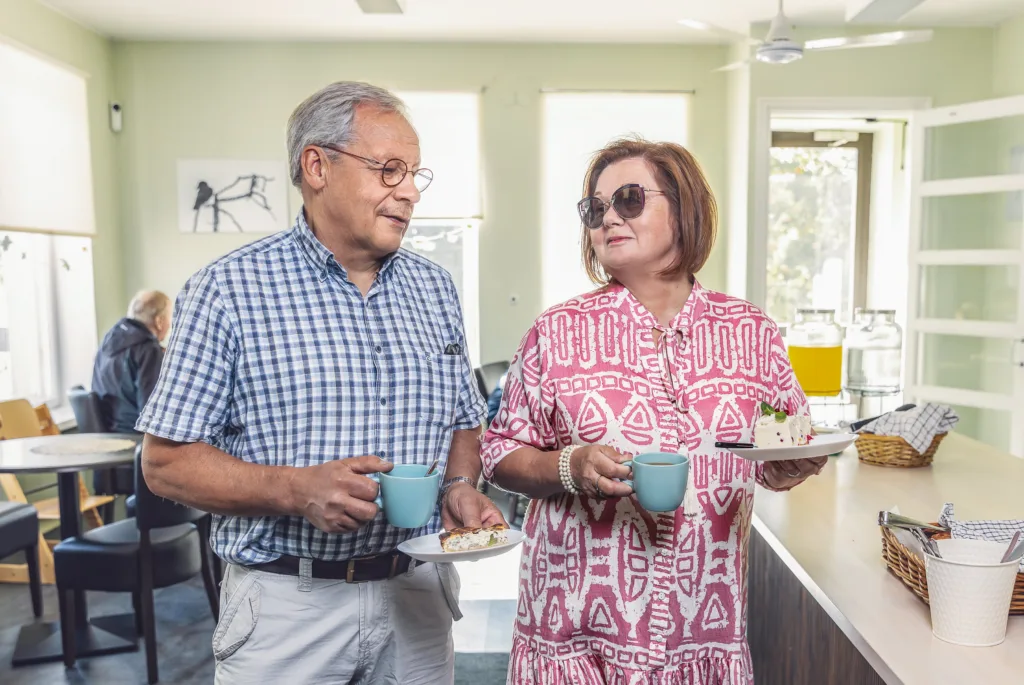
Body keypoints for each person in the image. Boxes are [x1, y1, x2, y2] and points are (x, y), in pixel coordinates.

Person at [137, 81, 505, 685]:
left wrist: (460, 485)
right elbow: (165, 464)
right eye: (389, 170)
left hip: (418, 594)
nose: (409, 191)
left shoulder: (435, 288)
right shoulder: (228, 289)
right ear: (317, 166)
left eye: (414, 173)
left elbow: (464, 417)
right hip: (287, 609)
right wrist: (294, 490)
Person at [481, 138, 826, 684]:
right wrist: (569, 466)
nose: (608, 218)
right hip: (576, 637)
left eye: (630, 199)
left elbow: (781, 447)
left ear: (684, 207)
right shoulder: (557, 331)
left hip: (703, 633)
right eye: (595, 209)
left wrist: (789, 468)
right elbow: (499, 453)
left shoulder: (751, 332)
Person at [90, 290, 171, 496]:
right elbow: (152, 412)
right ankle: (192, 525)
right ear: (160, 321)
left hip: (107, 445)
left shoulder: (108, 340)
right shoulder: (148, 349)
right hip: (137, 446)